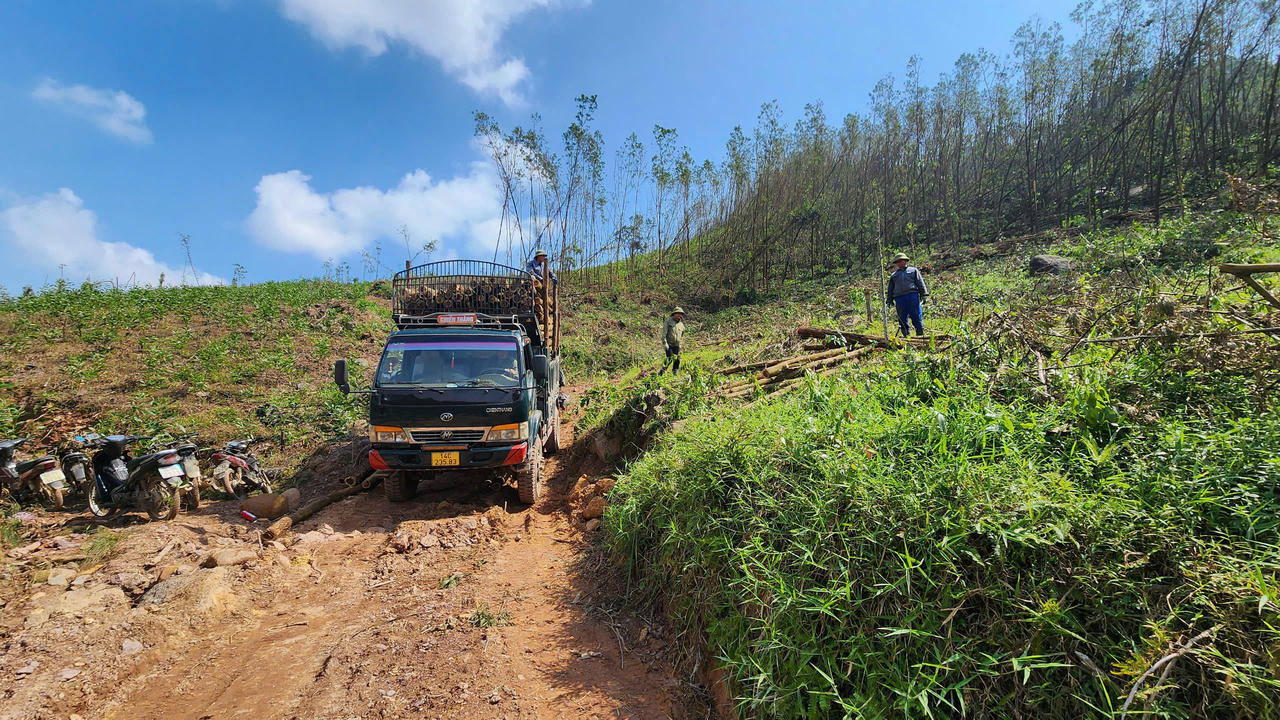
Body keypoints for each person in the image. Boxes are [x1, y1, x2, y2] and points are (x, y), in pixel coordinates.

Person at [885, 252, 929, 337]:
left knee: (916, 315)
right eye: (897, 262)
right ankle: (906, 335)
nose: (899, 263)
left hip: (912, 296)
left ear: (905, 261)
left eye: (901, 261)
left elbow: (920, 282)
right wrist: (889, 300)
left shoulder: (913, 270)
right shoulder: (894, 275)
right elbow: (890, 289)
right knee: (902, 317)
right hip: (899, 298)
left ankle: (920, 334)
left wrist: (924, 294)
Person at [660, 307, 685, 375]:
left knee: (677, 359)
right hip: (669, 344)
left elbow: (682, 335)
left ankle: (675, 372)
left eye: (681, 314)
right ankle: (662, 371)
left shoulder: (681, 324)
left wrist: (680, 344)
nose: (680, 316)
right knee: (670, 358)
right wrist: (665, 343)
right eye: (678, 314)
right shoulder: (668, 322)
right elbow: (664, 333)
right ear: (674, 314)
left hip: (677, 344)